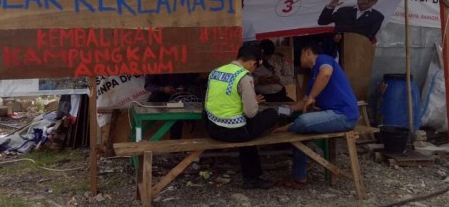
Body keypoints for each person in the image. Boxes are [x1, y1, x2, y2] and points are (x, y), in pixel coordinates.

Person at [272, 41, 359, 188]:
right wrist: (289, 109)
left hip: (343, 116)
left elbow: (326, 74)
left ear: (307, 52)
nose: (299, 58)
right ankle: (299, 177)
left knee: (304, 121)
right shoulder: (314, 77)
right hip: (331, 114)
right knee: (299, 133)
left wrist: (312, 97)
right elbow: (304, 102)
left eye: (300, 54)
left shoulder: (324, 60)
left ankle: (289, 127)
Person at [203, 44, 278, 189]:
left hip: (212, 128)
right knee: (270, 114)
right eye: (255, 67)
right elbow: (250, 112)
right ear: (252, 62)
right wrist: (253, 102)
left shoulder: (215, 72)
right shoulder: (244, 77)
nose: (253, 70)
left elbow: (208, 102)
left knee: (245, 124)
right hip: (234, 132)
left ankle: (252, 177)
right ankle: (252, 178)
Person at [144, 73, 206, 139]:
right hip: (158, 99)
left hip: (176, 98)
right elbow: (148, 85)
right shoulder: (156, 66)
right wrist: (163, 89)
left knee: (177, 119)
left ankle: (175, 144)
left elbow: (188, 82)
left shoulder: (180, 66)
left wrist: (183, 88)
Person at [317, 0, 384, 41]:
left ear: (375, 2)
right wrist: (330, 7)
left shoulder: (378, 17)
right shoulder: (344, 10)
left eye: (370, 0)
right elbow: (322, 22)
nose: (366, 2)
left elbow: (370, 36)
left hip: (358, 49)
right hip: (336, 47)